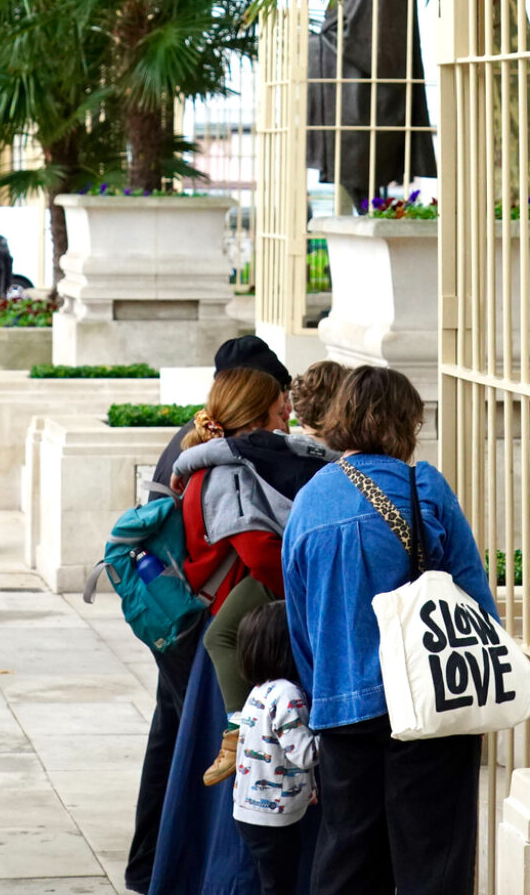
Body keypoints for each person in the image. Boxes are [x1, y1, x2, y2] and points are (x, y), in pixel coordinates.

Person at [281, 367, 498, 895]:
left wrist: (323, 692)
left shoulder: (310, 500)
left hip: (340, 707)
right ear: (406, 422)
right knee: (433, 863)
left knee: (347, 860)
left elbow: (300, 619)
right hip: (426, 707)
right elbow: (475, 601)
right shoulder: (422, 486)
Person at [126, 334, 300, 893]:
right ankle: (183, 869)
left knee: (172, 743)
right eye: (281, 398)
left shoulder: (196, 440)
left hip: (176, 611)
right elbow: (254, 548)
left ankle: (153, 866)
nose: (289, 410)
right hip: (203, 622)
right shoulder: (229, 461)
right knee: (210, 749)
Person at [172, 366, 332, 785]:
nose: (288, 424)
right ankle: (234, 735)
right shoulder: (234, 471)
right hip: (249, 628)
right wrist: (303, 587)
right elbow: (259, 552)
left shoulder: (220, 458)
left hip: (237, 624)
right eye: (281, 415)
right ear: (258, 418)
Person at [230, 602, 318, 895]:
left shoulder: (259, 691)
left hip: (249, 810)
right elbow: (303, 753)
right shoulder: (288, 694)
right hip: (274, 815)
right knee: (280, 885)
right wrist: (338, 736)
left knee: (270, 882)